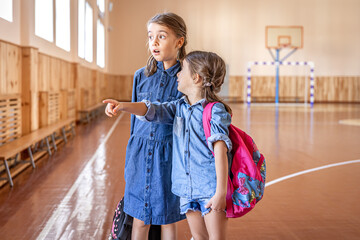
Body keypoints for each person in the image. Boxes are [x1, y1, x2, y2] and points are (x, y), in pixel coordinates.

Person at [104, 51, 232, 240]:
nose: (178, 74)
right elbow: (152, 108)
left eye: (183, 71)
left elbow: (221, 153)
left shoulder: (215, 111)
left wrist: (221, 192)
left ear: (196, 78)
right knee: (199, 237)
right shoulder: (179, 106)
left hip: (209, 188)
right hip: (186, 190)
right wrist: (123, 105)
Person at [104, 12, 187, 239]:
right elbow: (133, 123)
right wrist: (120, 108)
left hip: (168, 157)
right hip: (139, 156)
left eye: (162, 36)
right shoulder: (141, 75)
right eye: (151, 36)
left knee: (168, 218)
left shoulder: (186, 77)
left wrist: (125, 105)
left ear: (179, 41)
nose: (155, 42)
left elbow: (175, 114)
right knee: (139, 219)